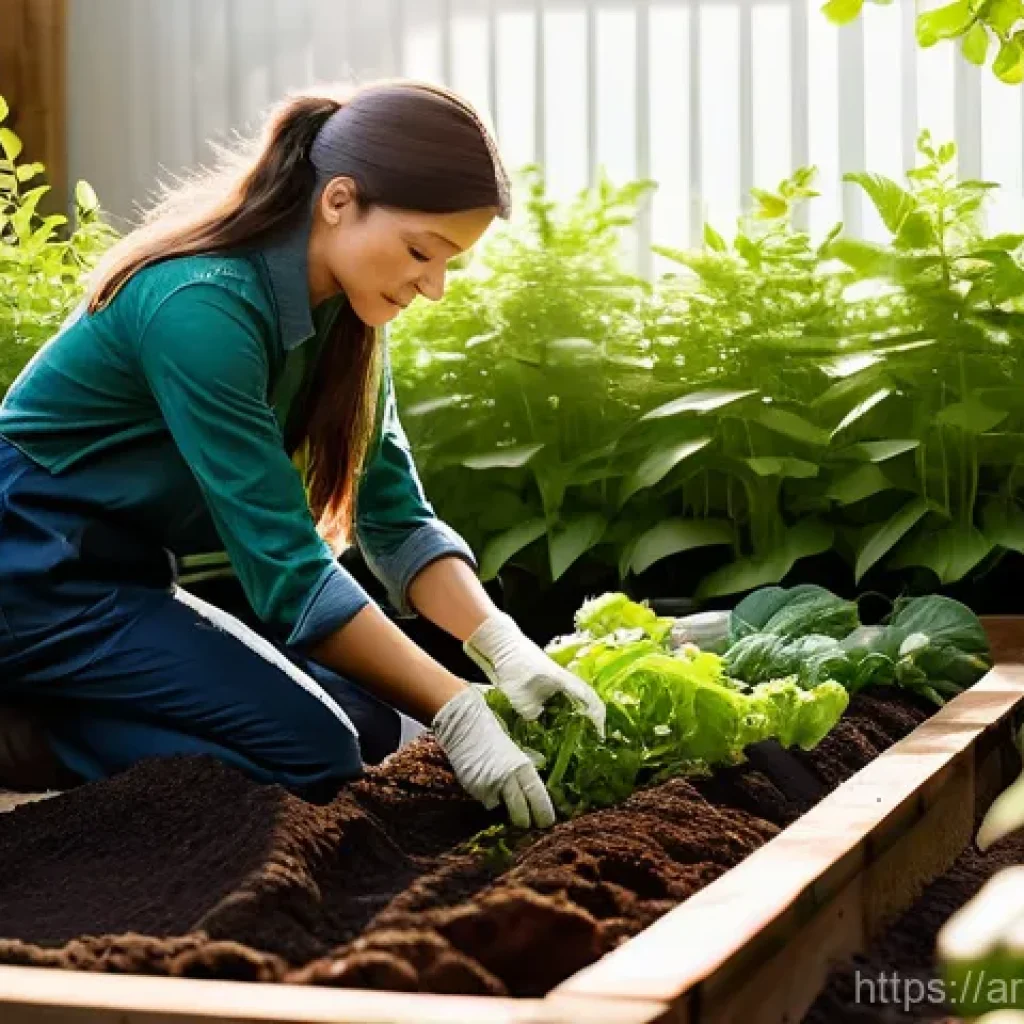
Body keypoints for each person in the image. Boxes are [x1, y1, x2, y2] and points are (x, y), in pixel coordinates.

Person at [0, 81, 605, 828]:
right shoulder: (200, 304)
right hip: (31, 569)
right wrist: (454, 707)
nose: (436, 287)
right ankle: (30, 731)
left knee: (371, 722)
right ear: (339, 200)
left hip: (122, 577)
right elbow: (286, 567)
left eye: (451, 262)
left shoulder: (346, 323)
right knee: (315, 755)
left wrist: (503, 649)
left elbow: (396, 519)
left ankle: (71, 698)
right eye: (422, 252)